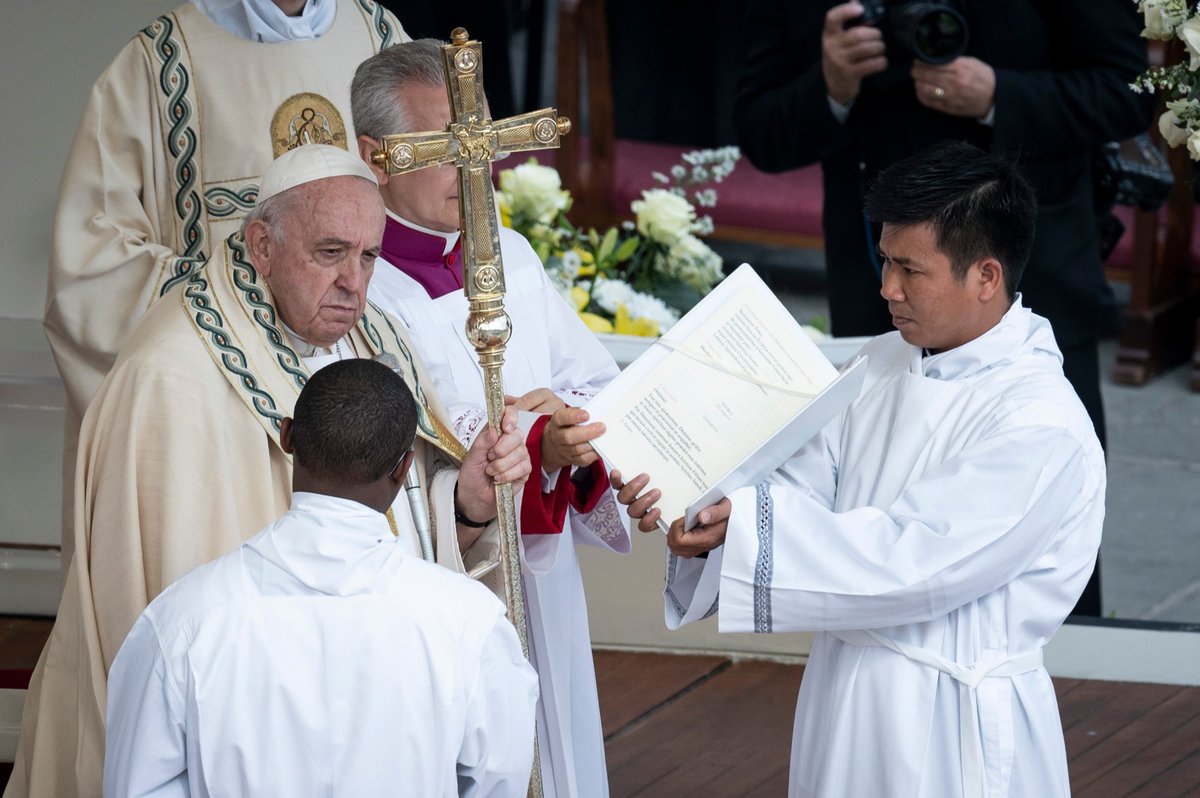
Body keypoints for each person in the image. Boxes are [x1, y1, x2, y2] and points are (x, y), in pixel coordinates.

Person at [6, 144, 553, 798]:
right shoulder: (171, 376)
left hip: (384, 720)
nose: (355, 282)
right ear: (261, 246)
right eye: (330, 253)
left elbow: (409, 527)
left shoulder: (377, 340)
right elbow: (150, 633)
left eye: (369, 256)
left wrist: (465, 504)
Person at [616, 142, 1106, 797]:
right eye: (884, 260)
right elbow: (803, 478)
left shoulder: (1040, 422)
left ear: (986, 277)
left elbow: (920, 565)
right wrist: (717, 519)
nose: (886, 288)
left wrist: (756, 532)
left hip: (951, 716)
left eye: (909, 269)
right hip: (847, 688)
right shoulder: (883, 363)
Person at [734, 0, 1149, 615]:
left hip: (1028, 269)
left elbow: (1128, 92)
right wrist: (831, 85)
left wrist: (997, 95)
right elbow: (759, 129)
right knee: (865, 499)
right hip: (875, 275)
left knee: (1047, 516)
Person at [350, 40, 632, 797]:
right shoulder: (360, 287)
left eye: (482, 138)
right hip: (447, 570)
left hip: (542, 574)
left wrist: (569, 428)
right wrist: (523, 434)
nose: (477, 165)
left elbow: (590, 383)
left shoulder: (510, 253)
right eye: (447, 147)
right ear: (377, 158)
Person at [44, 0, 407, 568]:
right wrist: (239, 306)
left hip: (351, 362)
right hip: (217, 400)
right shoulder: (161, 62)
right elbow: (92, 262)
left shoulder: (378, 35)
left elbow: (416, 204)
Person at [104, 358, 539, 796]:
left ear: (287, 436)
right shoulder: (471, 624)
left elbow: (138, 786)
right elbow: (499, 781)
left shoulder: (183, 620)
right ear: (403, 468)